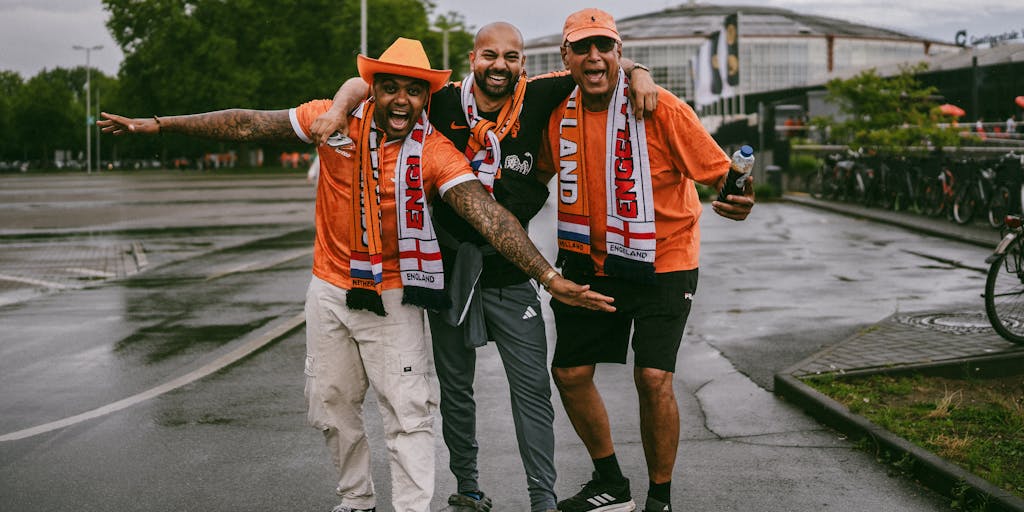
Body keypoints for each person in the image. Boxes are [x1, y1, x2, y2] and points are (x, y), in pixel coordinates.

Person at [98, 37, 614, 512]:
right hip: (328, 289)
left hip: (396, 297)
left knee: (408, 415)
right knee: (332, 405)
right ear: (373, 89)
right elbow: (248, 123)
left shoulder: (435, 149)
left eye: (413, 92)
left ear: (425, 98)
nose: (400, 101)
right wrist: (161, 125)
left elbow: (488, 213)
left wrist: (547, 277)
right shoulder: (334, 120)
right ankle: (357, 499)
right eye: (389, 88)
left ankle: (414, 508)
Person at [309, 22, 658, 512]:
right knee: (455, 391)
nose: (500, 66)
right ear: (473, 59)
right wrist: (342, 105)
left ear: (522, 63)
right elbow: (369, 86)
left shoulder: (538, 94)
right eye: (490, 56)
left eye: (511, 57)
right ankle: (469, 489)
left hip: (511, 272)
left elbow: (601, 68)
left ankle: (542, 497)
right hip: (449, 272)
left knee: (531, 390)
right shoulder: (441, 101)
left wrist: (640, 73)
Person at [536, 9, 755, 512]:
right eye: (582, 47)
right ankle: (610, 483)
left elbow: (723, 175)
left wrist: (740, 197)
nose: (595, 57)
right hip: (588, 263)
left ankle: (661, 497)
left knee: (653, 378)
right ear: (565, 56)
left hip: (665, 262)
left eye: (605, 47)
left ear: (619, 51)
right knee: (569, 372)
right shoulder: (554, 108)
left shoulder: (661, 108)